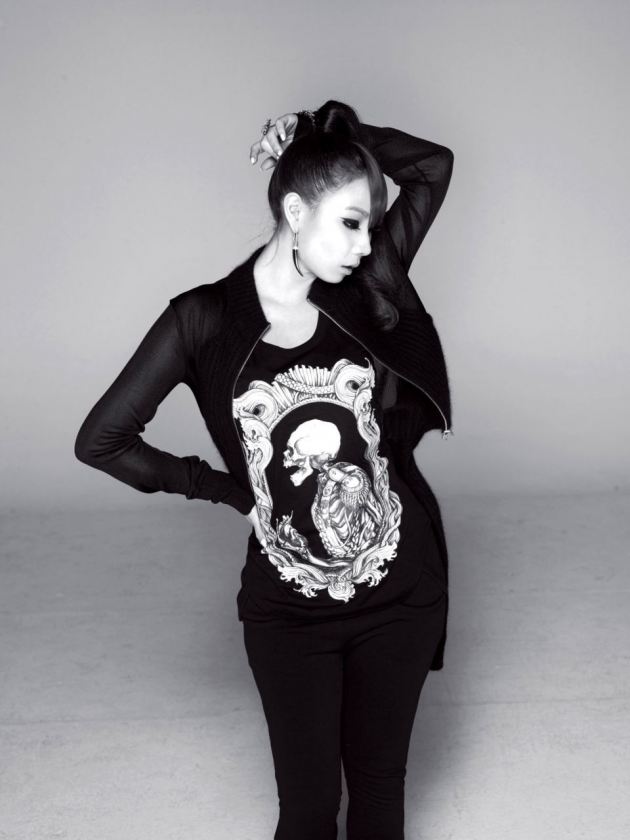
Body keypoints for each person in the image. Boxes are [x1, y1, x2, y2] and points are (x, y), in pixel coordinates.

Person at [74, 99, 454, 840]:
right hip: (291, 614)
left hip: (401, 594)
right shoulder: (205, 320)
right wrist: (227, 492)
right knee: (307, 813)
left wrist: (335, 131)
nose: (365, 243)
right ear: (294, 211)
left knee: (379, 797)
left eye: (371, 226)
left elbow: (432, 168)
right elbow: (103, 439)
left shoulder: (366, 284)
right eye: (350, 222)